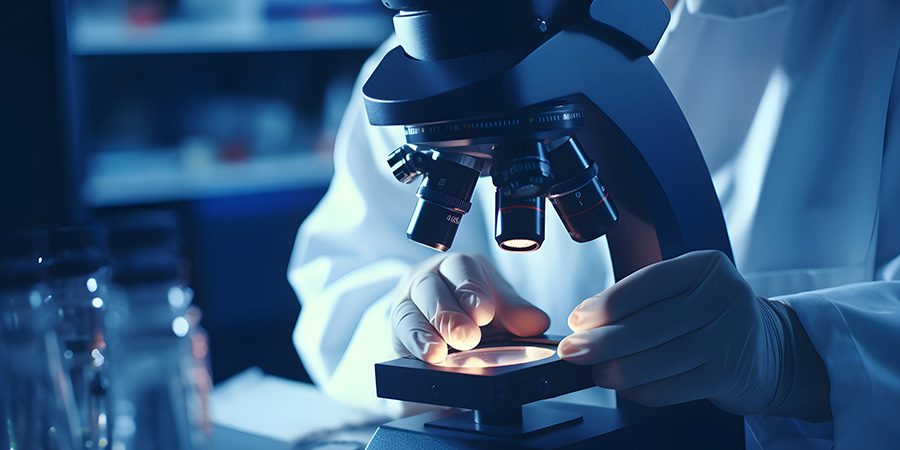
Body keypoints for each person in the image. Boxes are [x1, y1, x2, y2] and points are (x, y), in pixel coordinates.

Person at [288, 0, 900, 448]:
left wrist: (797, 355)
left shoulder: (874, 37)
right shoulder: (442, 50)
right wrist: (414, 318)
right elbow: (340, 282)